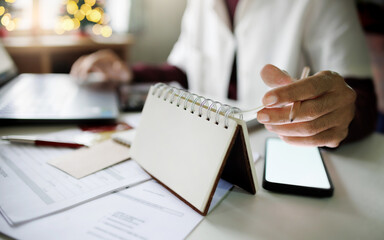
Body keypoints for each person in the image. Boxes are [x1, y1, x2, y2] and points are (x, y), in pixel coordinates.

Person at [71, 0, 377, 148]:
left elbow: (359, 97)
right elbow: (184, 70)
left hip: (288, 154)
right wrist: (128, 73)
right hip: (207, 145)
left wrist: (339, 113)